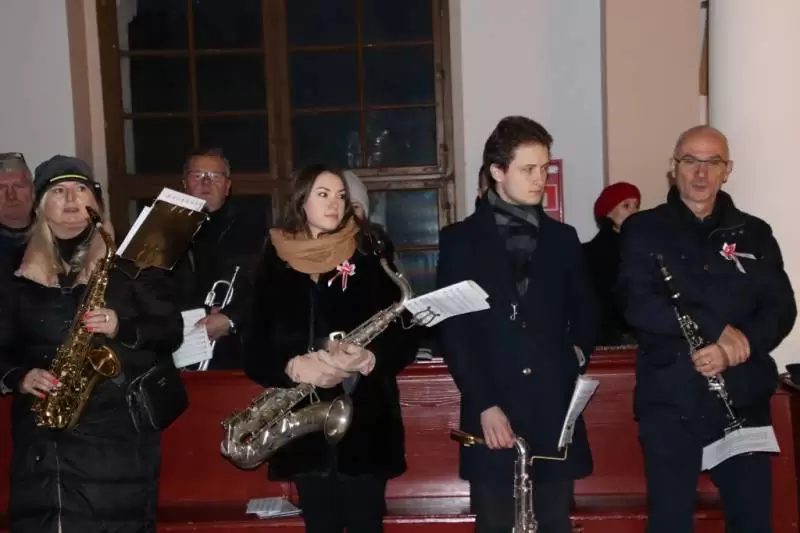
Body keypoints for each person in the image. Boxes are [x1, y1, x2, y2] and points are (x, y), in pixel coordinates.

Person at [618, 125, 796, 533]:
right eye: (691, 161)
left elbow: (781, 308)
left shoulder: (754, 233)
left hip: (743, 396)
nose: (701, 173)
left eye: (712, 162)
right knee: (670, 523)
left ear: (727, 170)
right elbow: (638, 305)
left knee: (752, 522)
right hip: (671, 400)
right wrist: (714, 329)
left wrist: (735, 347)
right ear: (673, 167)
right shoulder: (643, 230)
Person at [0, 155, 183, 532]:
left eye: (81, 189)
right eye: (58, 191)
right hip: (43, 445)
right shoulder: (13, 273)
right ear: (40, 206)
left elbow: (169, 330)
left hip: (116, 443)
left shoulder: (131, 263)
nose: (71, 199)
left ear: (96, 203)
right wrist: (19, 376)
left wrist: (121, 326)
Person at [436, 116, 598, 533]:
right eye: (528, 169)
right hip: (491, 406)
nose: (540, 179)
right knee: (496, 523)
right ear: (497, 171)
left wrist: (575, 353)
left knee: (554, 522)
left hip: (552, 406)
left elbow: (587, 311)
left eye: (544, 168)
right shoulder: (459, 240)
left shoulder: (563, 238)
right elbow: (454, 332)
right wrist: (484, 403)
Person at [243, 163, 421, 533]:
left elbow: (406, 331)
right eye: (323, 195)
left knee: (365, 524)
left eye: (341, 196)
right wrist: (291, 367)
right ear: (300, 201)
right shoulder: (274, 258)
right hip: (303, 426)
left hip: (366, 423)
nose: (335, 204)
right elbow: (254, 348)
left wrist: (372, 357)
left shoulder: (370, 250)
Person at [174, 147, 263, 369]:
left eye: (215, 176)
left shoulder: (253, 231)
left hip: (236, 352)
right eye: (197, 175)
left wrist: (230, 318)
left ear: (228, 186)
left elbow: (268, 288)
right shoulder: (163, 231)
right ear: (184, 184)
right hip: (174, 350)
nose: (206, 182)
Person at [583, 182, 641, 346]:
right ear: (608, 212)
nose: (634, 212)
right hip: (607, 341)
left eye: (636, 206)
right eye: (626, 206)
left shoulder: (642, 248)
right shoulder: (590, 253)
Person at [0, 152, 34, 276]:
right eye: (1, 188)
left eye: (19, 186)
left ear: (32, 190)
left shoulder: (57, 233)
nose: (11, 195)